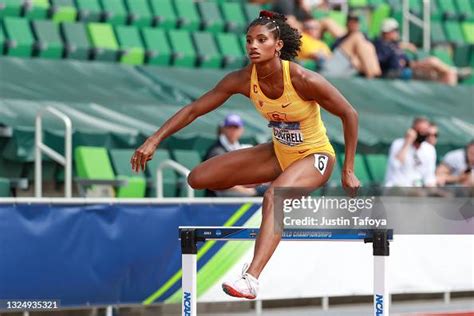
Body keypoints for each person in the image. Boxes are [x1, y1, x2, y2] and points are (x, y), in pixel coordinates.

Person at [131, 10, 360, 300]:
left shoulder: (302, 78)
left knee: (274, 197)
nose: (253, 45)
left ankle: (251, 278)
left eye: (261, 40)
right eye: (249, 40)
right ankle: (275, 182)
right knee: (198, 178)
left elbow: (349, 114)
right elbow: (194, 109)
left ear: (277, 45)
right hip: (278, 153)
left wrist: (348, 169)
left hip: (316, 156)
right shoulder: (242, 79)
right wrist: (154, 140)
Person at [373, 18, 468, 85]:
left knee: (435, 63)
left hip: (406, 71)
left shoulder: (395, 45)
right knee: (439, 74)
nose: (397, 33)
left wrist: (422, 64)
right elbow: (380, 62)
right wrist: (399, 48)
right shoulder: (381, 44)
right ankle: (454, 72)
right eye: (395, 30)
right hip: (395, 74)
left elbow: (408, 63)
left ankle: (453, 72)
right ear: (387, 32)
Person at [204, 114, 264, 197]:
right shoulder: (216, 151)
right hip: (221, 195)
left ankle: (282, 209)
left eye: (236, 128)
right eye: (229, 127)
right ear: (224, 129)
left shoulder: (239, 148)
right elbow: (221, 181)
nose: (233, 131)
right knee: (271, 192)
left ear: (241, 130)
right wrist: (249, 191)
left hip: (240, 189)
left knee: (276, 189)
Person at [320, 12, 381, 78]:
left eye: (355, 22)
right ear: (347, 23)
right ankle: (371, 78)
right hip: (332, 68)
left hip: (348, 68)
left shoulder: (363, 40)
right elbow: (326, 21)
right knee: (358, 36)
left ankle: (374, 76)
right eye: (351, 22)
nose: (354, 24)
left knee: (368, 46)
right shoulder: (342, 38)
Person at [385, 117, 437, 187]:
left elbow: (429, 176)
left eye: (425, 131)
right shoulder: (398, 144)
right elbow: (395, 164)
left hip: (417, 189)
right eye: (420, 131)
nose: (423, 133)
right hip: (397, 187)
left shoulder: (429, 149)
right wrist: (407, 142)